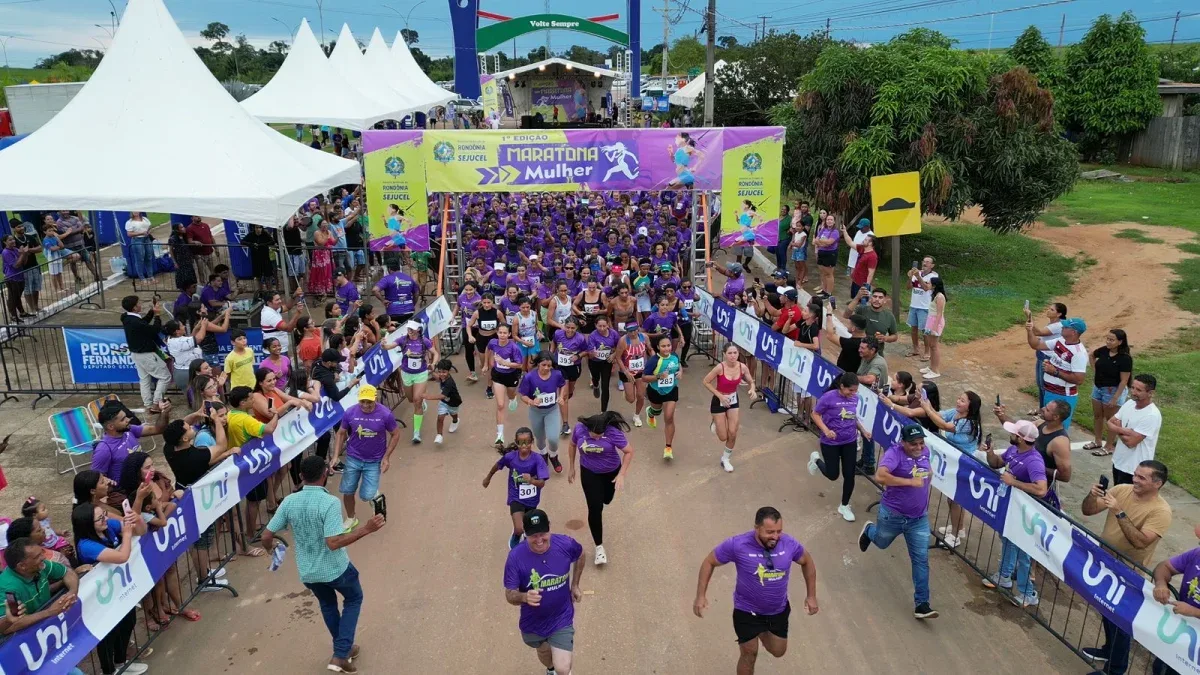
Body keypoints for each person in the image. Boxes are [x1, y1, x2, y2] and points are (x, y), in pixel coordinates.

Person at [263, 456, 386, 674]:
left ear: (300, 476)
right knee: (354, 599)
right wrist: (366, 529)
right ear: (325, 473)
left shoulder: (289, 501)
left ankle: (344, 649)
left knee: (328, 605)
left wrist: (271, 549)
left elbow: (266, 536)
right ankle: (340, 655)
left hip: (309, 572)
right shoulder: (330, 503)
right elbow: (333, 543)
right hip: (336, 568)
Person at [693, 506, 818, 675]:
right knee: (749, 654)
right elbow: (709, 561)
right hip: (746, 610)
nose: (775, 537)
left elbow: (807, 561)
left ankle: (760, 632)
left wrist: (811, 596)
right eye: (770, 532)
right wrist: (700, 596)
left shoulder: (789, 544)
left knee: (778, 651)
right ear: (757, 528)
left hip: (777, 611)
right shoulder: (738, 545)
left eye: (779, 531)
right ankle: (753, 633)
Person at [1080, 460, 1172, 675]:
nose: (1134, 479)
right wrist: (1092, 496)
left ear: (1157, 483)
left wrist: (1119, 512)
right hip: (1104, 561)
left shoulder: (1161, 511)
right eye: (1135, 474)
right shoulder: (1122, 489)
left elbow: (1140, 542)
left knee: (1120, 621)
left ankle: (1116, 669)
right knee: (1105, 609)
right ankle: (1109, 650)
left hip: (1128, 572)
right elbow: (1088, 511)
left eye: (1141, 477)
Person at [858, 424, 938, 619]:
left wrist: (928, 474)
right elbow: (880, 476)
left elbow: (927, 470)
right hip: (892, 515)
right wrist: (910, 482)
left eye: (921, 443)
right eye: (913, 444)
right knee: (881, 542)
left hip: (919, 519)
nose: (919, 447)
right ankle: (869, 531)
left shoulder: (925, 452)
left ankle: (922, 604)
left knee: (921, 560)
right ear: (903, 442)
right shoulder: (894, 453)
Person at [502, 509, 584, 675]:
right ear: (525, 534)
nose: (539, 540)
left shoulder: (565, 544)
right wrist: (524, 597)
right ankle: (550, 668)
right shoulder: (515, 557)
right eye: (534, 535)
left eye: (543, 534)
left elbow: (581, 554)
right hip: (533, 622)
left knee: (563, 668)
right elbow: (509, 594)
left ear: (549, 528)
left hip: (561, 616)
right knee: (545, 653)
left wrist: (575, 585)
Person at [72, 503, 148, 674]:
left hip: (120, 588)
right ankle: (108, 670)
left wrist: (138, 519)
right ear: (87, 524)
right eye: (100, 518)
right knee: (108, 634)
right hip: (100, 598)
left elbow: (141, 531)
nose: (106, 519)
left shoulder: (107, 526)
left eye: (104, 514)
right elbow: (122, 556)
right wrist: (127, 534)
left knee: (128, 621)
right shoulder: (86, 545)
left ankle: (121, 662)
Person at [981, 419, 1048, 608]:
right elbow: (996, 463)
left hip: (1025, 513)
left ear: (1021, 438)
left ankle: (1028, 594)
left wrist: (1014, 483)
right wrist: (990, 452)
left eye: (1014, 433)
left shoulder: (1034, 460)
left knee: (1023, 553)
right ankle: (1004, 576)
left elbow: (1041, 489)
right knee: (1008, 540)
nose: (1010, 435)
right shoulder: (1013, 450)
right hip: (1011, 507)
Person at [566, 412, 634, 566]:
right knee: (595, 508)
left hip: (611, 472)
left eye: (600, 435)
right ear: (588, 428)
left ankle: (602, 497)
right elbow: (572, 445)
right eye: (594, 435)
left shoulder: (613, 433)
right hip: (589, 472)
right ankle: (599, 548)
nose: (597, 438)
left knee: (607, 499)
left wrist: (621, 474)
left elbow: (629, 451)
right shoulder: (579, 429)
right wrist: (571, 467)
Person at [329, 385, 400, 532]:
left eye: (369, 402)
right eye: (363, 401)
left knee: (366, 495)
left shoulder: (385, 414)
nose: (366, 405)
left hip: (374, 461)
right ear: (358, 399)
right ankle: (351, 518)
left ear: (375, 398)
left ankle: (375, 496)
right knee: (347, 490)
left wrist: (386, 457)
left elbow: (396, 434)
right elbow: (341, 433)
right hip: (353, 458)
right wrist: (335, 456)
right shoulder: (350, 412)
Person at [808, 372, 871, 522]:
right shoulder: (828, 397)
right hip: (831, 443)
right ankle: (816, 460)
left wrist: (863, 431)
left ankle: (844, 505)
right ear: (842, 386)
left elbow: (852, 416)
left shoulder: (855, 398)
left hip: (849, 441)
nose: (853, 393)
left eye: (856, 390)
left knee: (849, 474)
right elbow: (815, 414)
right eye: (850, 390)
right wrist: (826, 430)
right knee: (833, 475)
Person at [484, 428, 550, 549]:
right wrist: (488, 477)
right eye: (520, 442)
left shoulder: (538, 459)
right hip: (515, 497)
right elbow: (498, 465)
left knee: (528, 525)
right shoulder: (510, 457)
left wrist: (531, 481)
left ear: (532, 442)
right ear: (516, 442)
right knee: (519, 528)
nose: (524, 445)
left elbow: (542, 483)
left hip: (532, 499)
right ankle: (517, 534)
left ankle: (524, 534)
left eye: (527, 442)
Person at [0, 537, 79, 635]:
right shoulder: (7, 588)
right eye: (37, 557)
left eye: (41, 552)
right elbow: (9, 627)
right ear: (22, 566)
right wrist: (49, 612)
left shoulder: (41, 565)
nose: (43, 557)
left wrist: (72, 593)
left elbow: (67, 572)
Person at [1150, 527, 1200, 675]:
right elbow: (1164, 566)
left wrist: (1194, 611)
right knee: (1160, 668)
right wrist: (1161, 584)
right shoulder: (1196, 554)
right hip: (1180, 632)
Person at [1025, 315, 1088, 429]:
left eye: (1065, 327)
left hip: (1063, 396)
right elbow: (1036, 345)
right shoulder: (1061, 341)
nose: (1062, 328)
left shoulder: (1079, 354)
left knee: (1058, 428)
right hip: (1050, 391)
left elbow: (1079, 379)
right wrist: (1029, 331)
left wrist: (1055, 372)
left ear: (1073, 332)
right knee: (1046, 425)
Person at [703, 343, 757, 473]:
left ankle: (725, 459)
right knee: (723, 437)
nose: (733, 356)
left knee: (732, 433)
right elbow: (706, 381)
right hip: (719, 400)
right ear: (724, 354)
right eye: (730, 353)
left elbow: (751, 380)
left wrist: (752, 389)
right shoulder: (719, 368)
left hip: (733, 400)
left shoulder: (742, 367)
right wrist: (720, 396)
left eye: (735, 353)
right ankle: (715, 420)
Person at [93, 402, 170, 483]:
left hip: (146, 480)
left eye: (126, 416)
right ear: (111, 426)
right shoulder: (103, 449)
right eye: (123, 419)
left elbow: (158, 429)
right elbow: (96, 479)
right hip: (128, 489)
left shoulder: (129, 430)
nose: (128, 420)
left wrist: (164, 412)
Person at [1107, 374, 1162, 486]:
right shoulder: (1129, 403)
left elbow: (1131, 443)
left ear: (1150, 393)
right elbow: (1109, 422)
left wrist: (1118, 429)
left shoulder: (1152, 415)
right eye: (1132, 388)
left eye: (1138, 390)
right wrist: (1127, 431)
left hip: (1135, 469)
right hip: (1118, 461)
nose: (1133, 392)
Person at [310, 349, 363, 464]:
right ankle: (328, 461)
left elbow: (337, 368)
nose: (338, 363)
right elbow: (337, 396)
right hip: (322, 411)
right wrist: (351, 385)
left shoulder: (319, 363)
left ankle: (343, 454)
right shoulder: (326, 378)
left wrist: (335, 372)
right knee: (331, 435)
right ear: (329, 362)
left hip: (330, 408)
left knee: (343, 428)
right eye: (336, 362)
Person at [1086, 329, 1133, 454]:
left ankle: (1109, 446)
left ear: (1120, 342)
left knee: (1111, 420)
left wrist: (1115, 398)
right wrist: (1096, 372)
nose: (1108, 342)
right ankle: (1097, 441)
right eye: (1107, 339)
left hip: (1112, 391)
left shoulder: (1125, 359)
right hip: (1098, 388)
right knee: (1097, 416)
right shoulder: (1103, 351)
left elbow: (1124, 381)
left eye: (1111, 340)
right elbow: (1091, 355)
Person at [519, 352, 568, 472]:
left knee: (553, 438)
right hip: (536, 411)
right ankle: (543, 454)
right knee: (539, 437)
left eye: (549, 365)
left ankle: (553, 455)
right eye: (543, 365)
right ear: (538, 364)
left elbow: (563, 385)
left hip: (552, 410)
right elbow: (523, 395)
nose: (546, 368)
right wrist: (531, 401)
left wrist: (561, 396)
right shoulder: (529, 377)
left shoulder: (557, 374)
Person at [121, 294, 172, 407]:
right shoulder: (136, 322)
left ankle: (148, 404)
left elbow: (143, 323)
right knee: (165, 377)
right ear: (134, 307)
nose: (141, 305)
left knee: (144, 380)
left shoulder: (127, 318)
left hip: (136, 354)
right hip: (146, 355)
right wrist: (157, 316)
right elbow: (154, 330)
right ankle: (157, 402)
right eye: (139, 303)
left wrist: (152, 312)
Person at [397, 321, 438, 444]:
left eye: (412, 329)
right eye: (408, 328)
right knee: (411, 399)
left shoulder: (424, 341)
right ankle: (421, 401)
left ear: (418, 330)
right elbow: (389, 346)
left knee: (417, 401)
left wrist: (433, 364)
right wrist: (384, 345)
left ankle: (416, 432)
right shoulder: (403, 340)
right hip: (406, 373)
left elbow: (435, 353)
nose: (409, 330)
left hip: (421, 373)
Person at [642, 335, 682, 460]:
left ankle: (668, 447)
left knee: (669, 417)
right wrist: (658, 376)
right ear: (658, 347)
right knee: (657, 411)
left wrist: (680, 372)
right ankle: (651, 412)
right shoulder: (653, 360)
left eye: (668, 345)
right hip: (655, 390)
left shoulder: (674, 356)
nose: (666, 348)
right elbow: (644, 377)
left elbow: (678, 365)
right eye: (663, 346)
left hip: (671, 389)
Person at [488, 324, 526, 450]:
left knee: (510, 394)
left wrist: (504, 362)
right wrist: (487, 364)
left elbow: (519, 365)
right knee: (500, 405)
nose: (502, 335)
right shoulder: (493, 342)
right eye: (500, 332)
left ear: (509, 334)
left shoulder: (514, 347)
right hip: (498, 375)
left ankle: (513, 398)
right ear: (497, 333)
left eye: (505, 333)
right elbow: (489, 350)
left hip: (511, 376)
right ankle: (500, 434)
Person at [551, 318, 587, 437]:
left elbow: (586, 351)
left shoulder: (580, 338)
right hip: (560, 366)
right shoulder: (558, 333)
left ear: (576, 328)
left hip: (574, 367)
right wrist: (551, 354)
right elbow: (554, 342)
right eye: (568, 327)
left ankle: (570, 392)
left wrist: (578, 356)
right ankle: (565, 424)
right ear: (564, 326)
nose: (570, 330)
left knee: (569, 392)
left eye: (573, 328)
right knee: (564, 395)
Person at [1029, 302, 1068, 410]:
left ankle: (1045, 411)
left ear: (1059, 314)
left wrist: (1029, 316)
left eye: (1052, 310)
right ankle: (1043, 410)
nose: (1048, 310)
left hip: (1047, 357)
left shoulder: (1058, 325)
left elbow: (1038, 332)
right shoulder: (1054, 323)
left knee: (1044, 386)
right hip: (1042, 354)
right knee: (1040, 385)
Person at [612, 320, 649, 427]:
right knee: (631, 399)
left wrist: (655, 361)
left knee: (641, 396)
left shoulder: (644, 337)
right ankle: (628, 392)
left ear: (638, 329)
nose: (633, 333)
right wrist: (625, 371)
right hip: (627, 371)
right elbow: (618, 357)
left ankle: (636, 416)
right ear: (626, 331)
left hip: (641, 371)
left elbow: (650, 349)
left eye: (635, 330)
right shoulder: (623, 341)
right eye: (630, 331)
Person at [467, 293, 506, 393]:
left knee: (490, 365)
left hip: (493, 339)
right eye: (484, 302)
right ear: (481, 302)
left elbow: (504, 325)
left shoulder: (498, 313)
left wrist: (501, 334)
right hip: (481, 339)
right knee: (483, 365)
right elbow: (469, 325)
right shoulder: (477, 313)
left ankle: (489, 387)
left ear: (492, 302)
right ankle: (482, 363)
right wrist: (470, 336)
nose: (487, 305)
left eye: (489, 302)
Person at [844, 288, 898, 353]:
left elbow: (895, 336)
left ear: (885, 300)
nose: (877, 299)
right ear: (870, 298)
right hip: (856, 350)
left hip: (876, 353)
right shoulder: (861, 309)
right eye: (875, 296)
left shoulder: (889, 316)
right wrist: (857, 298)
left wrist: (885, 338)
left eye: (880, 297)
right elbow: (846, 315)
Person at [905, 256, 938, 359]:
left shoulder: (934, 276)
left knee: (925, 331)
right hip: (914, 305)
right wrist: (910, 277)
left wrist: (918, 277)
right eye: (924, 261)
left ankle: (927, 352)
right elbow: (908, 287)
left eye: (928, 262)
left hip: (925, 307)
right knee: (914, 329)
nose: (925, 263)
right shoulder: (916, 273)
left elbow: (926, 288)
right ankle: (915, 349)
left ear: (932, 265)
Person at [424, 359, 462, 445]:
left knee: (453, 414)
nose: (441, 374)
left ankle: (455, 421)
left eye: (444, 372)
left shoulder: (449, 383)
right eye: (439, 372)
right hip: (444, 403)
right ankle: (439, 435)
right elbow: (438, 378)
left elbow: (442, 396)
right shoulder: (443, 377)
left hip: (454, 403)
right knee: (440, 417)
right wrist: (432, 371)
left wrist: (428, 397)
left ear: (448, 371)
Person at [586, 316, 619, 412]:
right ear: (595, 325)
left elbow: (619, 346)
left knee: (605, 386)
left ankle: (603, 411)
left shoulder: (614, 334)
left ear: (608, 325)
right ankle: (596, 385)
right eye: (599, 326)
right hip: (594, 362)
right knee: (595, 379)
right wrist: (592, 353)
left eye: (604, 326)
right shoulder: (592, 336)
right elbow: (590, 354)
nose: (602, 328)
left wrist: (614, 355)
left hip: (606, 362)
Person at [260, 290, 303, 355]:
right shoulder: (269, 314)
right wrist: (298, 313)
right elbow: (288, 328)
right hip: (275, 352)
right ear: (269, 303)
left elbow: (287, 307)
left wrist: (294, 296)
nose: (280, 301)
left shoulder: (273, 308)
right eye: (277, 300)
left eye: (280, 299)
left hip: (279, 350)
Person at [920, 277, 947, 379]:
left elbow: (939, 314)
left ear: (934, 285)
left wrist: (934, 328)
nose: (928, 284)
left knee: (934, 347)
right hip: (931, 321)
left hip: (935, 323)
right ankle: (931, 367)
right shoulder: (935, 295)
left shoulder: (940, 297)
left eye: (929, 283)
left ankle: (935, 370)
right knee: (931, 345)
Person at [842, 225, 877, 302]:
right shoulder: (862, 248)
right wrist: (844, 231)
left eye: (866, 240)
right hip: (855, 281)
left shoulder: (872, 256)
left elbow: (871, 273)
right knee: (853, 299)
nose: (863, 240)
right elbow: (850, 242)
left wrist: (866, 287)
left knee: (860, 303)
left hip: (861, 284)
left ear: (870, 243)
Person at [812, 213, 839, 298]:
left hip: (830, 254)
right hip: (821, 252)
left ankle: (829, 293)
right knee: (823, 273)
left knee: (829, 274)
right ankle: (824, 290)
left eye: (831, 220)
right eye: (828, 219)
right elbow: (815, 240)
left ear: (834, 222)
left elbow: (829, 242)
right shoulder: (823, 229)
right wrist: (823, 242)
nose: (829, 221)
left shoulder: (835, 232)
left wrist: (821, 242)